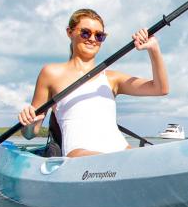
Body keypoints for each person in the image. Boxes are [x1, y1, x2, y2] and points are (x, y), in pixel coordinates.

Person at [17, 8, 168, 157]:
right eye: (85, 32)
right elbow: (30, 134)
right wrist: (29, 124)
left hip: (120, 150)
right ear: (70, 32)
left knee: (157, 158)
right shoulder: (51, 73)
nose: (92, 39)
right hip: (80, 155)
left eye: (99, 35)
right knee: (109, 160)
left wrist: (153, 48)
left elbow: (160, 88)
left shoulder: (112, 78)